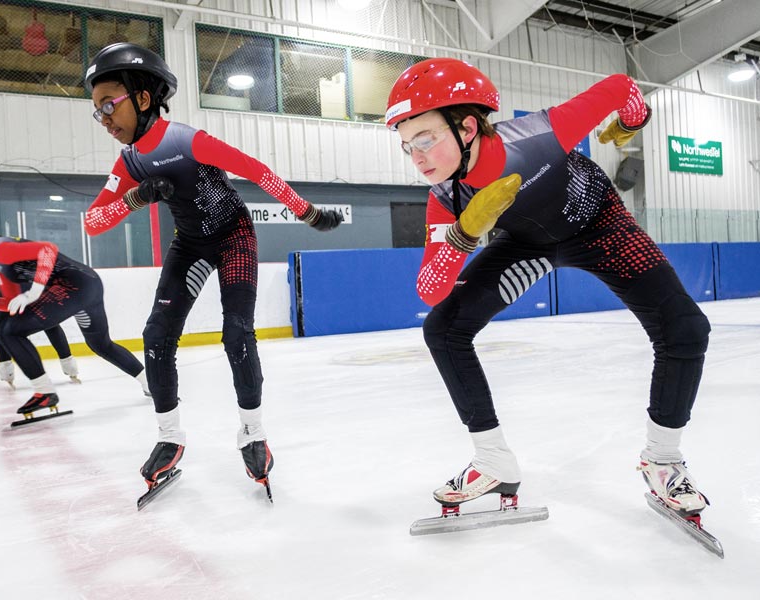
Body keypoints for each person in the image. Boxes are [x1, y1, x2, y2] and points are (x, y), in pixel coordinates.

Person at [385, 58, 711, 518]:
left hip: (600, 224)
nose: (417, 158)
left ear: (469, 128)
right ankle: (493, 460)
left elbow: (620, 84)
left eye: (426, 139)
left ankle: (661, 459)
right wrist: (465, 233)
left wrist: (629, 122)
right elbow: (430, 291)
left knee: (685, 329)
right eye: (406, 147)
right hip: (529, 244)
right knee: (443, 329)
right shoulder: (446, 198)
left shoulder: (541, 134)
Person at [82, 42, 342, 492]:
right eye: (97, 111)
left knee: (237, 332)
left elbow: (258, 172)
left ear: (143, 99)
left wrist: (309, 214)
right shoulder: (129, 162)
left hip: (234, 236)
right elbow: (93, 222)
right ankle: (169, 438)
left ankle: (252, 431)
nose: (103, 119)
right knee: (156, 335)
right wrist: (136, 196)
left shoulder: (187, 140)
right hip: (191, 246)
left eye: (109, 105)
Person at [0, 207, 151, 415]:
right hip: (87, 284)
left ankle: (44, 391)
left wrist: (35, 291)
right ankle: (151, 384)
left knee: (9, 331)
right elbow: (11, 304)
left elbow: (47, 249)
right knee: (100, 344)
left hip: (73, 287)